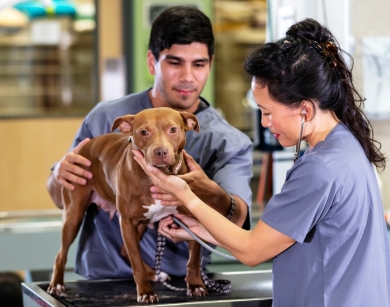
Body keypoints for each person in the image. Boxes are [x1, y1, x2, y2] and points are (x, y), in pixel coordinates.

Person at [133, 18, 390, 307]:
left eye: (267, 112)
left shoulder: (320, 169)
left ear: (305, 109)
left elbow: (253, 251)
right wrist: (199, 229)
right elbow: (270, 239)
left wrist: (187, 196)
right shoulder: (346, 146)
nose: (263, 123)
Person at [46, 6, 253, 280]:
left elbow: (238, 221)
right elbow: (60, 198)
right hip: (102, 280)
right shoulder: (106, 119)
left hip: (182, 282)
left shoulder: (228, 141)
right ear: (152, 62)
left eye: (199, 64)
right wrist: (60, 174)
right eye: (175, 62)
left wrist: (208, 192)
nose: (188, 77)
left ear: (210, 65)